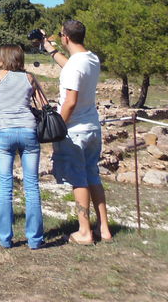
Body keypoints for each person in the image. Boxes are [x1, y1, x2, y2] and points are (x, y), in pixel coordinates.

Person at [42, 20, 113, 245]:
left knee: (78, 179)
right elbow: (71, 65)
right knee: (93, 176)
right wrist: (50, 49)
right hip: (92, 127)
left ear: (66, 37)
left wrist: (58, 127)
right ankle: (104, 228)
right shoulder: (90, 58)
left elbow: (70, 102)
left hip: (75, 131)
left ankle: (84, 231)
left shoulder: (74, 66)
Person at [0, 44, 44, 249]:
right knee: (32, 185)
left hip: (4, 131)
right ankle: (35, 239)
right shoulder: (30, 77)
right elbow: (43, 104)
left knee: (5, 186)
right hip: (28, 130)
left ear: (4, 58)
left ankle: (5, 237)